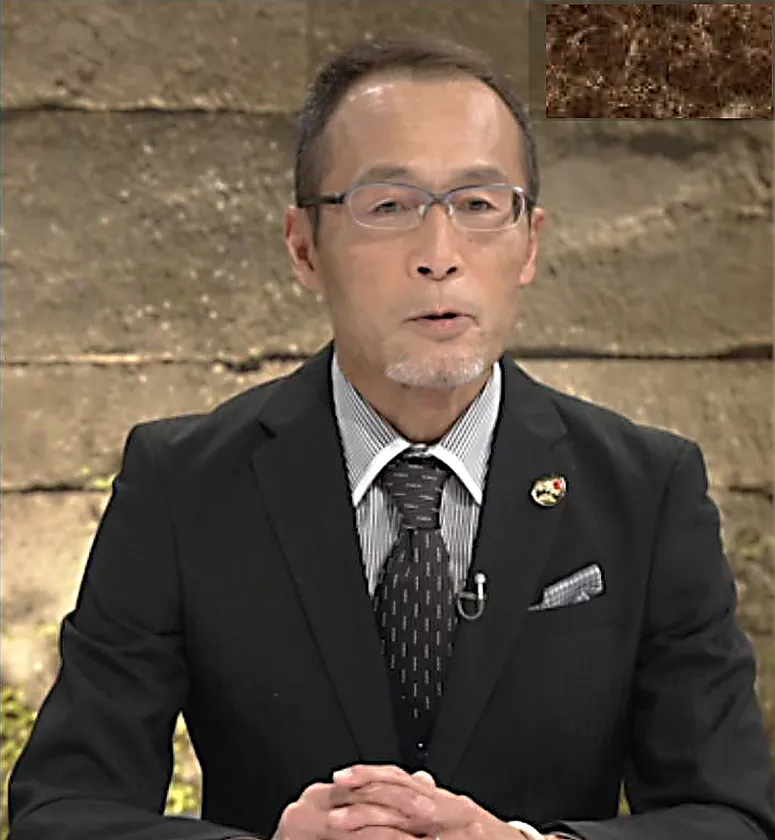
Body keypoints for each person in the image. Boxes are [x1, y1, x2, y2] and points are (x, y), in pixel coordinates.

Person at [7, 32, 775, 840]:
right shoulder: (182, 485)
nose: (438, 256)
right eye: (388, 207)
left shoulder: (645, 489)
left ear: (530, 243)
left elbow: (730, 818)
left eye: (478, 206)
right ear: (304, 248)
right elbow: (62, 813)